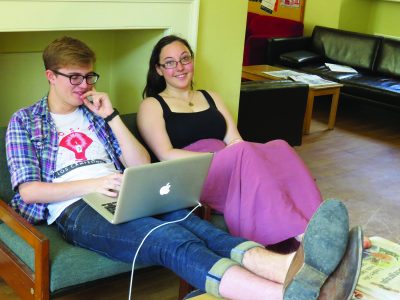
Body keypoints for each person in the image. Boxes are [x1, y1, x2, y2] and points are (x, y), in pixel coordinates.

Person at [6, 36, 359, 300]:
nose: (84, 86)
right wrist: (95, 183)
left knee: (198, 228)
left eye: (89, 77)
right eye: (74, 78)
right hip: (74, 208)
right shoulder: (25, 121)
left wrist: (111, 117)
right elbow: (28, 191)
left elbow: (141, 164)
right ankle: (282, 295)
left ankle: (286, 268)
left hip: (124, 189)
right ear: (50, 76)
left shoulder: (96, 115)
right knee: (169, 238)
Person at [137, 35, 322, 246]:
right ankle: (306, 236)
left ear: (192, 61)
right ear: (159, 69)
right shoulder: (152, 105)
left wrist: (231, 156)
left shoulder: (211, 96)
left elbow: (234, 139)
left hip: (230, 163)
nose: (179, 67)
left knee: (280, 146)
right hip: (194, 172)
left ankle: (321, 224)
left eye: (185, 59)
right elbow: (165, 154)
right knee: (243, 152)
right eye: (170, 63)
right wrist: (219, 156)